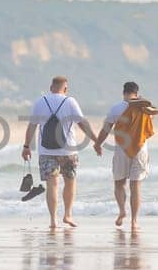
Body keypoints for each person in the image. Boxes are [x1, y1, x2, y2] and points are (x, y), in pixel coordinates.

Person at [21, 76, 101, 230]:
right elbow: (82, 123)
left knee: (52, 184)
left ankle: (53, 220)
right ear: (65, 88)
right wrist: (96, 141)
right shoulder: (70, 101)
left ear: (51, 87)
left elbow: (31, 126)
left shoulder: (40, 101)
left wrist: (26, 146)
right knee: (70, 182)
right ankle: (67, 215)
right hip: (68, 150)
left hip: (46, 151)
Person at [94, 82, 158, 232]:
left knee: (119, 183)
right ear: (137, 93)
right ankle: (134, 221)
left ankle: (122, 211)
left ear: (123, 92)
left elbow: (106, 129)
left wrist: (98, 144)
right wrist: (144, 102)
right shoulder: (145, 108)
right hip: (140, 149)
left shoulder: (116, 108)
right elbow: (153, 117)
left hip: (121, 150)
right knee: (135, 185)